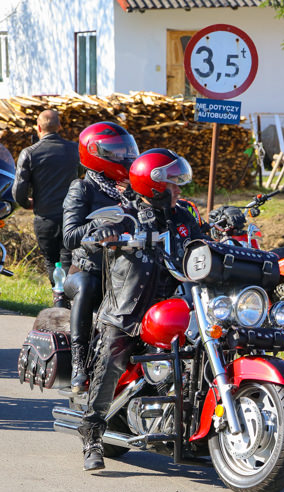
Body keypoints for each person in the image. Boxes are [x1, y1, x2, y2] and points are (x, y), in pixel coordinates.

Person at [78, 148, 202, 471]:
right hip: (128, 313)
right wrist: (104, 234)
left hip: (174, 308)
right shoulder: (126, 213)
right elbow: (95, 232)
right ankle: (92, 433)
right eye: (173, 184)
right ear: (153, 185)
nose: (178, 190)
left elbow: (201, 244)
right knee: (114, 355)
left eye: (177, 183)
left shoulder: (183, 216)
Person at [62, 121, 139, 394]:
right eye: (117, 152)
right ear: (95, 154)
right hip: (86, 270)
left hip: (123, 269)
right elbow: (69, 235)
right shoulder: (81, 189)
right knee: (87, 287)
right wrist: (100, 225)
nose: (125, 157)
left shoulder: (131, 189)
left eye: (126, 150)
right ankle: (79, 364)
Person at [14, 109, 79, 289]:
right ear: (59, 126)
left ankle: (58, 298)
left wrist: (27, 203)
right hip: (71, 217)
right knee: (68, 259)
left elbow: (19, 191)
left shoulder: (29, 153)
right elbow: (83, 178)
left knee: (51, 261)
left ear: (38, 128)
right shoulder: (74, 150)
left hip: (45, 217)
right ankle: (68, 298)